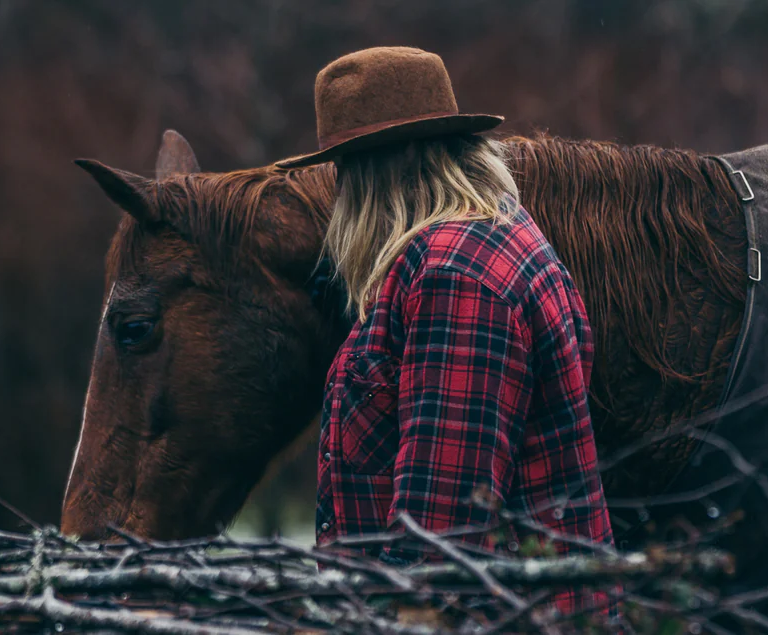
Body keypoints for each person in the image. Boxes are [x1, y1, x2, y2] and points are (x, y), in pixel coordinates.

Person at [278, 46, 616, 616]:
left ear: (398, 161)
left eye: (350, 169)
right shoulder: (488, 239)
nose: (341, 196)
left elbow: (440, 546)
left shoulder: (456, 279)